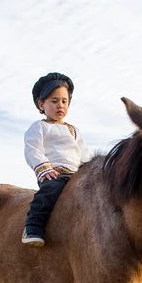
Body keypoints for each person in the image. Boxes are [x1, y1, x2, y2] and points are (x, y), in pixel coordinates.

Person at [22, 72, 92, 247]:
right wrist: (45, 169)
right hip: (55, 174)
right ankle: (33, 227)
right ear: (41, 104)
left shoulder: (74, 130)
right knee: (48, 194)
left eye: (64, 101)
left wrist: (93, 169)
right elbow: (33, 149)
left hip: (77, 175)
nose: (60, 105)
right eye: (54, 101)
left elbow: (84, 153)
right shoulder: (39, 127)